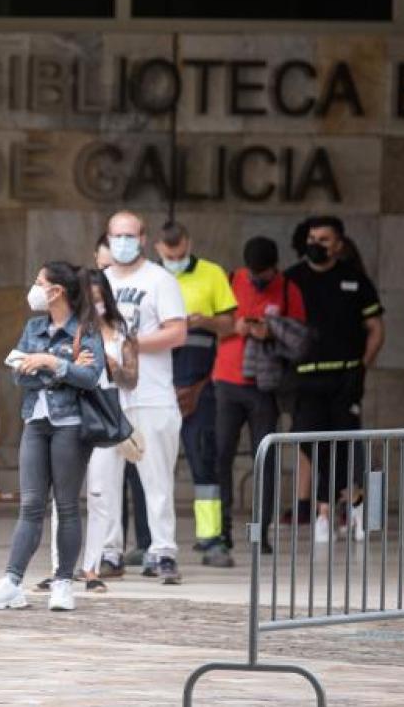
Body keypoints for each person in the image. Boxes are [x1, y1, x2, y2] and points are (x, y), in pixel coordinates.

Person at [0, 261, 104, 612]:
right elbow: (19, 375)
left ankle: (63, 582)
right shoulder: (34, 327)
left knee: (66, 505)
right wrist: (59, 367)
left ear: (56, 291)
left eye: (39, 282)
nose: (33, 289)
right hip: (35, 419)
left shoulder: (86, 329)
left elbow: (91, 376)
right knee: (30, 504)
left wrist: (48, 361)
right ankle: (12, 581)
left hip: (71, 425)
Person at [285, 215, 385, 544]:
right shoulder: (292, 279)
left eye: (324, 240)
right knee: (310, 442)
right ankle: (351, 498)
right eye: (313, 239)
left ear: (338, 244)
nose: (316, 245)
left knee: (343, 443)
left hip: (344, 376)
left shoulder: (355, 280)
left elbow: (376, 330)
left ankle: (326, 512)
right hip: (305, 378)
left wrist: (361, 367)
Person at [101, 211, 187, 584]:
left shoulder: (159, 280)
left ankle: (162, 551)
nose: (123, 242)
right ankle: (108, 551)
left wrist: (128, 342)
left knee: (156, 479)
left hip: (151, 394)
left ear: (142, 237)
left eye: (130, 235)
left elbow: (177, 332)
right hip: (106, 394)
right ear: (107, 238)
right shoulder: (99, 282)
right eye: (117, 235)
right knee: (103, 480)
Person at [213, 237, 306, 554]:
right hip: (226, 380)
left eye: (263, 274)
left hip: (264, 388)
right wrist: (233, 327)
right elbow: (212, 323)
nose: (256, 278)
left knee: (265, 459)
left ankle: (259, 533)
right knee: (220, 457)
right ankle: (218, 532)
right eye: (253, 272)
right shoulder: (230, 279)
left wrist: (272, 331)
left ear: (274, 268)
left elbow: (299, 338)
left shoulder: (286, 289)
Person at [154, 221, 237, 568]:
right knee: (151, 465)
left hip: (199, 384)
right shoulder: (149, 278)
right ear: (158, 248)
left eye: (181, 253)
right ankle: (151, 542)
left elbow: (231, 324)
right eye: (169, 254)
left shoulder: (212, 273)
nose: (176, 259)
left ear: (189, 243)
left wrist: (204, 321)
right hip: (156, 385)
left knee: (205, 460)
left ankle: (210, 538)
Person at [77, 268, 138, 593]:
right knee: (66, 496)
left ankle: (93, 565)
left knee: (100, 493)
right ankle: (63, 565)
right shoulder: (71, 330)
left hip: (105, 419)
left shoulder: (120, 332)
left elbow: (132, 377)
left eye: (101, 296)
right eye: (91, 297)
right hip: (72, 418)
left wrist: (113, 366)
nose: (97, 303)